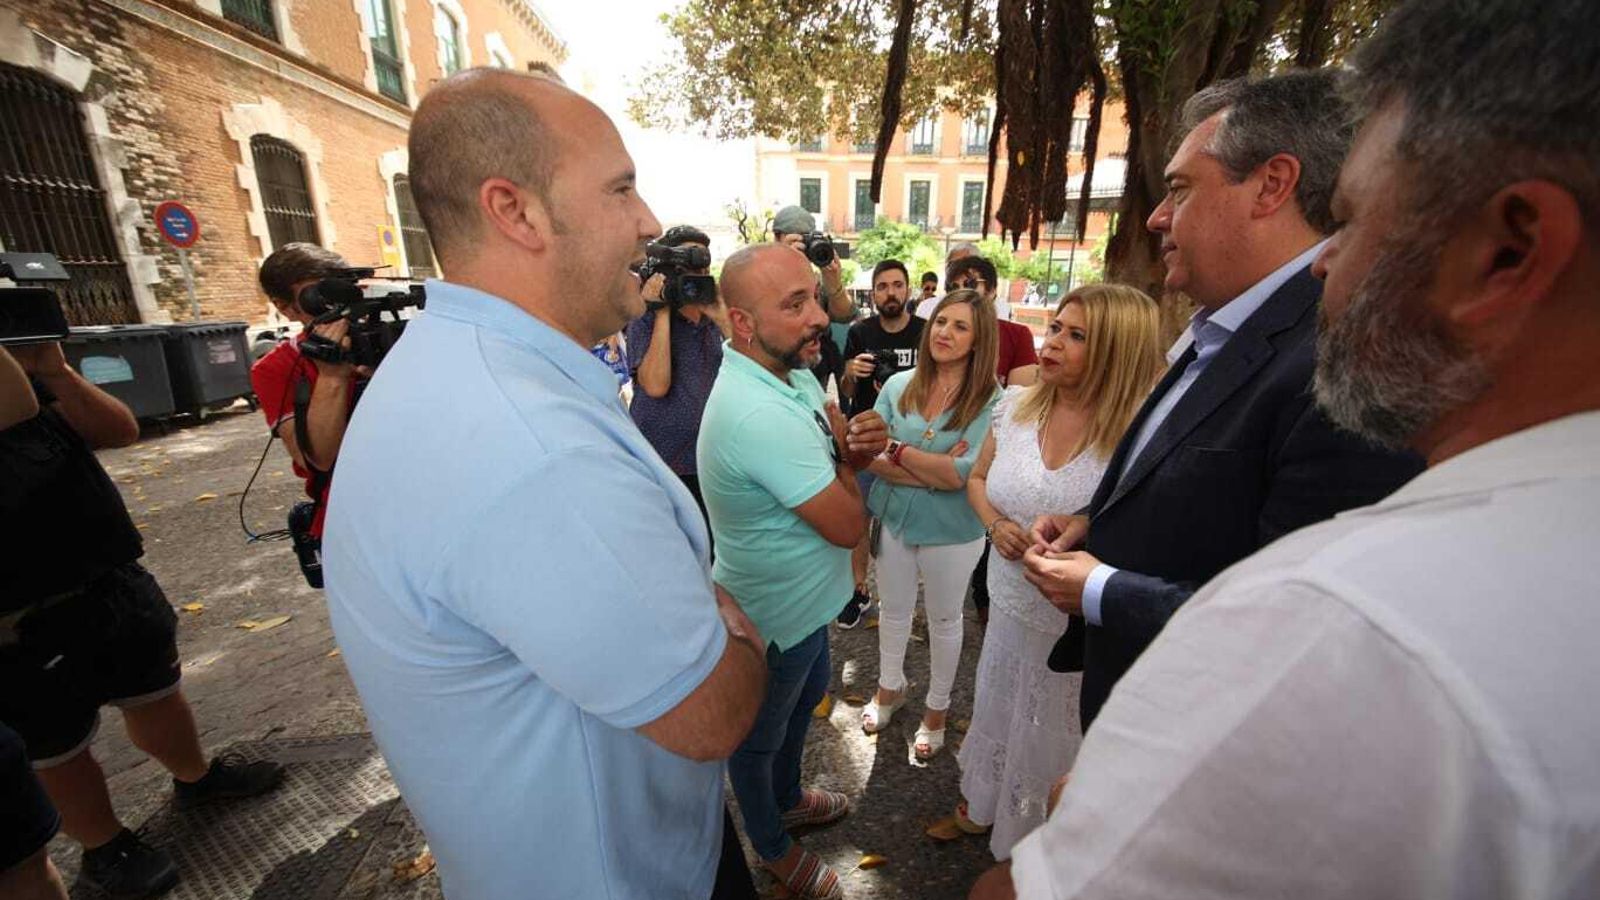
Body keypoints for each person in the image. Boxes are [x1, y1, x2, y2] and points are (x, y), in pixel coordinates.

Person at [976, 1, 1600, 896]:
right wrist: (1094, 518)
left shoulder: (1349, 607)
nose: (1323, 262)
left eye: (1353, 220)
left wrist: (1118, 796)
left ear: (1509, 252)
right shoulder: (1211, 335)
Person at [322, 69, 767, 900]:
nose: (646, 221)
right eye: (622, 188)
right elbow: (714, 714)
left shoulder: (457, 368)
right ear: (514, 210)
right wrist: (733, 621)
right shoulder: (530, 446)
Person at [1020, 69, 1424, 731]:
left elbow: (1300, 626)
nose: (1155, 216)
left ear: (1272, 184)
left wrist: (1100, 589)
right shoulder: (1226, 326)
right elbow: (1205, 482)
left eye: (1178, 188)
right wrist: (1098, 520)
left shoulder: (1340, 362)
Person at [0, 343, 284, 899]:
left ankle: (196, 779)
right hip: (20, 616)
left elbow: (120, 430)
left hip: (107, 576)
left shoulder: (32, 383)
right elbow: (13, 406)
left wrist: (56, 372)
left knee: (155, 690)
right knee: (56, 744)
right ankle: (105, 847)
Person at [928, 285, 1163, 859]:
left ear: (1118, 350)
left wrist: (1083, 524)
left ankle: (1038, 836)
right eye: (1056, 327)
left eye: (1076, 335)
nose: (1053, 342)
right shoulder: (1014, 404)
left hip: (1076, 618)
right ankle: (984, 804)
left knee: (1058, 723)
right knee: (1001, 700)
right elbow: (978, 480)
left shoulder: (1140, 433)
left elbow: (1150, 526)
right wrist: (994, 526)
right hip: (1009, 599)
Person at [698, 243, 888, 899]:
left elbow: (834, 454)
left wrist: (846, 454)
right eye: (796, 303)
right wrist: (847, 467)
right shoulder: (755, 411)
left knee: (802, 704)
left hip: (807, 604)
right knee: (756, 739)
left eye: (814, 294)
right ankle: (774, 847)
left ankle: (784, 799)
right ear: (744, 323)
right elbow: (845, 523)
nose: (819, 315)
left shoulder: (794, 373)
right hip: (770, 614)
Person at [862, 288, 1000, 761]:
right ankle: (888, 687)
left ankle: (937, 710)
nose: (945, 332)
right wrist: (930, 466)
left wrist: (899, 452)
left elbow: (960, 477)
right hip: (893, 518)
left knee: (944, 619)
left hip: (953, 530)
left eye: (961, 327)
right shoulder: (898, 385)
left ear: (980, 340)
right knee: (892, 609)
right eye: (942, 321)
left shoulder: (990, 401)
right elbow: (867, 453)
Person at [251, 243, 366, 541]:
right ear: (285, 307)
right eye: (320, 295)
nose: (337, 304)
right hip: (354, 519)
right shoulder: (277, 367)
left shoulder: (393, 338)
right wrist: (331, 376)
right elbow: (318, 458)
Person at [835, 258, 925, 628]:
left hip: (913, 437)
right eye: (883, 286)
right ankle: (858, 590)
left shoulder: (925, 331)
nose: (891, 292)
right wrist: (851, 372)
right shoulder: (860, 332)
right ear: (873, 293)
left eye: (897, 285)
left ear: (908, 289)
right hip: (868, 440)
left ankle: (908, 596)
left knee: (914, 519)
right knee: (858, 519)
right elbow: (844, 391)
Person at [624, 224, 730, 523]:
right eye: (687, 266)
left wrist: (721, 317)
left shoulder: (717, 316)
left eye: (703, 265)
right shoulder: (645, 316)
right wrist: (661, 312)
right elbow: (656, 386)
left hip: (713, 461)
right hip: (663, 460)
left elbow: (753, 367)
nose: (696, 275)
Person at [771, 205, 855, 392]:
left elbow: (845, 315)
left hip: (813, 371)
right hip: (775, 371)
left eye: (807, 238)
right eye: (797, 237)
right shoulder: (762, 271)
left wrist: (835, 284)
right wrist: (784, 262)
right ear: (777, 237)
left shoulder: (814, 279)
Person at [916, 242, 1014, 321]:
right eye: (952, 264)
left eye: (966, 263)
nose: (958, 269)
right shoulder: (927, 307)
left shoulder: (999, 308)